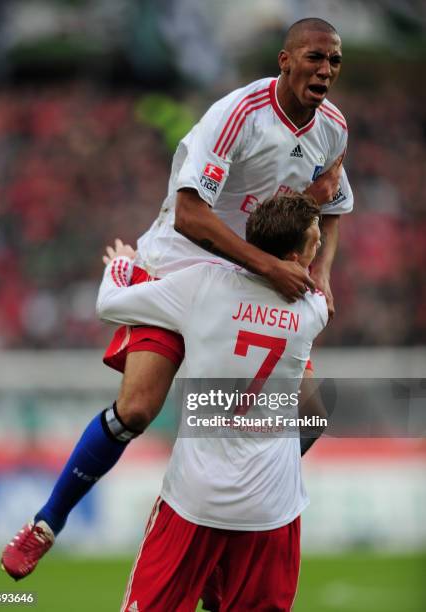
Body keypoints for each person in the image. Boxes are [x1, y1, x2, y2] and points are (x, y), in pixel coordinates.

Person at [1, 17, 352, 580]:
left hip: (256, 281)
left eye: (334, 61)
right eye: (315, 57)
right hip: (186, 264)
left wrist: (325, 275)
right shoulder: (238, 114)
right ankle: (45, 523)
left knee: (308, 416)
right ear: (285, 61)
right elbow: (190, 213)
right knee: (139, 408)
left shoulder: (332, 127)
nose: (326, 70)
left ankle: (221, 542)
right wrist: (269, 265)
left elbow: (331, 211)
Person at [99, 194, 328, 611]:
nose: (321, 250)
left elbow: (109, 305)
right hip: (272, 507)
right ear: (295, 256)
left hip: (196, 497)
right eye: (317, 242)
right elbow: (314, 418)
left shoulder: (203, 285)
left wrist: (120, 265)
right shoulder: (313, 311)